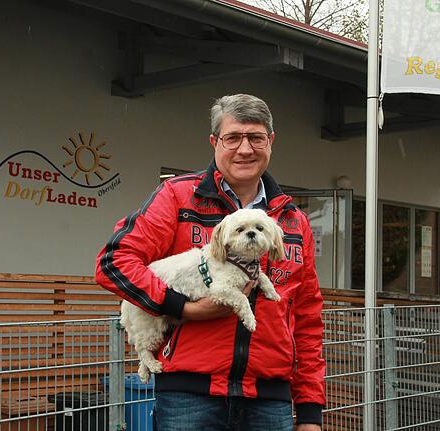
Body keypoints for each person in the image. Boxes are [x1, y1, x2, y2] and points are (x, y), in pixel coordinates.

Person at [95, 94, 325, 430]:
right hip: (189, 396)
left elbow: (306, 320)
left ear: (270, 142)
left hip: (270, 399)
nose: (245, 149)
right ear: (214, 142)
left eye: (256, 138)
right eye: (233, 138)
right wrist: (180, 307)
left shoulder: (293, 222)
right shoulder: (177, 197)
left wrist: (309, 413)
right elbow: (114, 263)